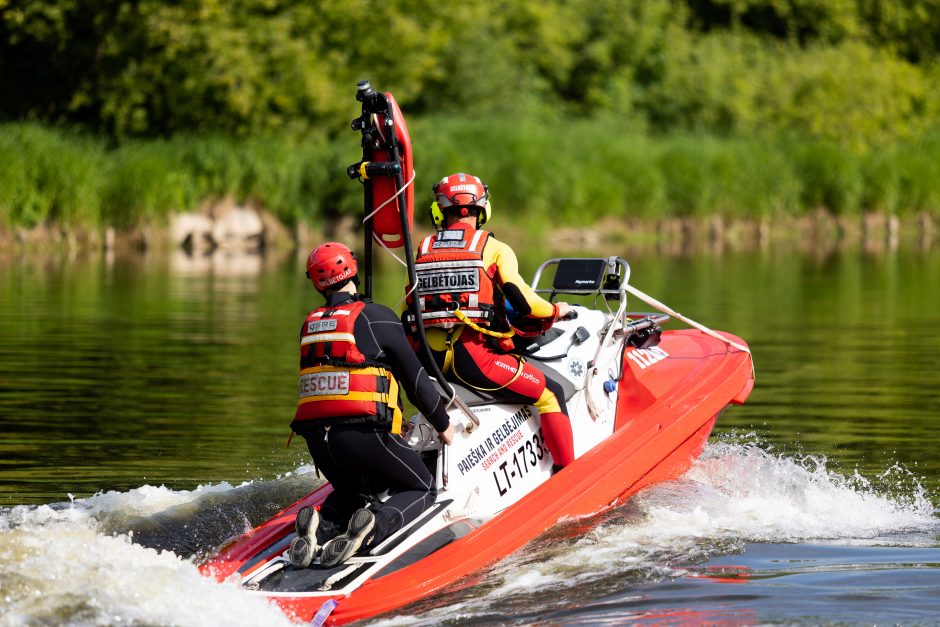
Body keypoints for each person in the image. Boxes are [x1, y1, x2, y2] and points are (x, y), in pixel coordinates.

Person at [288, 242, 455, 570]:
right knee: (420, 486)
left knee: (354, 494)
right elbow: (417, 382)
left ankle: (319, 526)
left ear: (315, 282)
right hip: (362, 436)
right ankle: (373, 529)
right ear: (353, 268)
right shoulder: (377, 317)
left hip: (319, 443)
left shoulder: (309, 325)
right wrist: (442, 424)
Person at [407, 172, 575, 472]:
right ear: (483, 208)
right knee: (551, 394)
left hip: (427, 362)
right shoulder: (493, 248)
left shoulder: (422, 248)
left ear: (439, 210)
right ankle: (567, 475)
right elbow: (526, 304)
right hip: (473, 359)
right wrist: (555, 310)